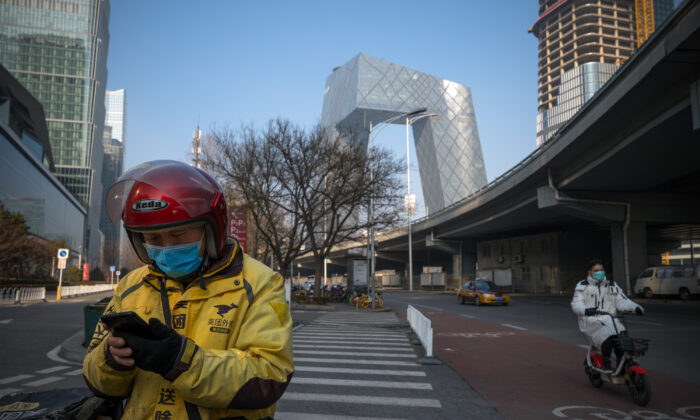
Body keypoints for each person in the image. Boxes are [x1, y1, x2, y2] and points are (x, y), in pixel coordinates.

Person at [83, 160, 294, 420]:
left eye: (178, 235)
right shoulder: (131, 286)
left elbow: (271, 375)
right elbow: (94, 378)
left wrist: (181, 361)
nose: (167, 246)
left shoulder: (260, 282)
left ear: (211, 230)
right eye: (154, 239)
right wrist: (112, 360)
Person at [571, 259, 644, 371]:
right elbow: (576, 304)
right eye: (596, 270)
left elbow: (622, 301)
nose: (600, 272)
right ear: (590, 272)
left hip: (610, 319)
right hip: (591, 321)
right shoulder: (582, 286)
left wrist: (635, 308)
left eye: (602, 270)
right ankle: (606, 361)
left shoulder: (612, 285)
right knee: (608, 334)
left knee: (622, 333)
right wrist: (586, 310)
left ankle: (621, 361)